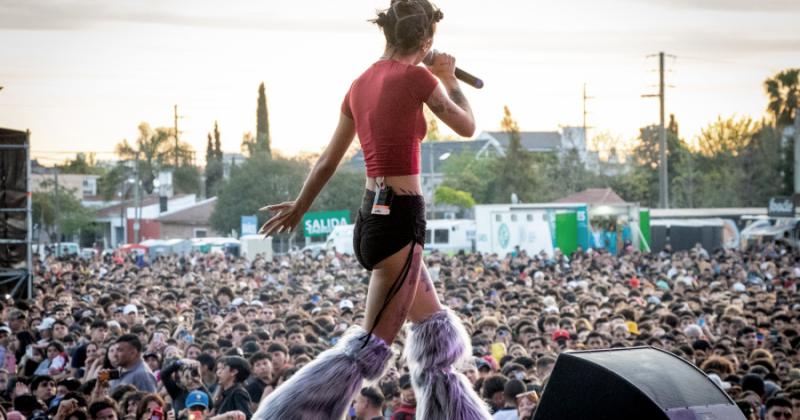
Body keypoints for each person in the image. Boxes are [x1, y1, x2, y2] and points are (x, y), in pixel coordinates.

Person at [254, 0, 489, 418]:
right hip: (400, 221)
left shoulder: (359, 83)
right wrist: (450, 79)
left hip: (371, 217)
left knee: (434, 333)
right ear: (428, 40)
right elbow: (468, 126)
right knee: (365, 351)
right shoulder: (419, 77)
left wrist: (301, 206)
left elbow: (327, 160)